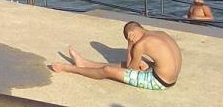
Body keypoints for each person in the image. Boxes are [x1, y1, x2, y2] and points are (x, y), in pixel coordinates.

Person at [47, 21, 181, 91]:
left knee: (108, 71)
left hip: (159, 82)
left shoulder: (141, 44)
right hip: (169, 76)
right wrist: (148, 65)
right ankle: (84, 63)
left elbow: (131, 70)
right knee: (123, 65)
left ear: (130, 35)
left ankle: (68, 68)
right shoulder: (160, 33)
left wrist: (130, 45)